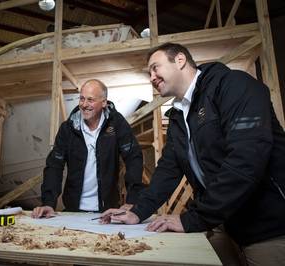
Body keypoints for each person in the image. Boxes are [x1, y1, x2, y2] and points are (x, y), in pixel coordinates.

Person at [101, 43, 285, 265]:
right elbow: (168, 170)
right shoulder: (179, 115)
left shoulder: (233, 85)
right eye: (149, 72)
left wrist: (195, 218)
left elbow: (246, 160)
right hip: (225, 224)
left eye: (155, 67)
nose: (151, 77)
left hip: (269, 227)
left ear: (180, 60)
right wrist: (138, 212)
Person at [32, 79, 144, 218]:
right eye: (82, 99)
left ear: (104, 102)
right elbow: (54, 165)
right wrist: (48, 202)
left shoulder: (117, 124)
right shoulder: (68, 129)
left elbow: (134, 158)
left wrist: (133, 200)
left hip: (108, 211)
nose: (84, 105)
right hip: (73, 210)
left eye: (90, 100)